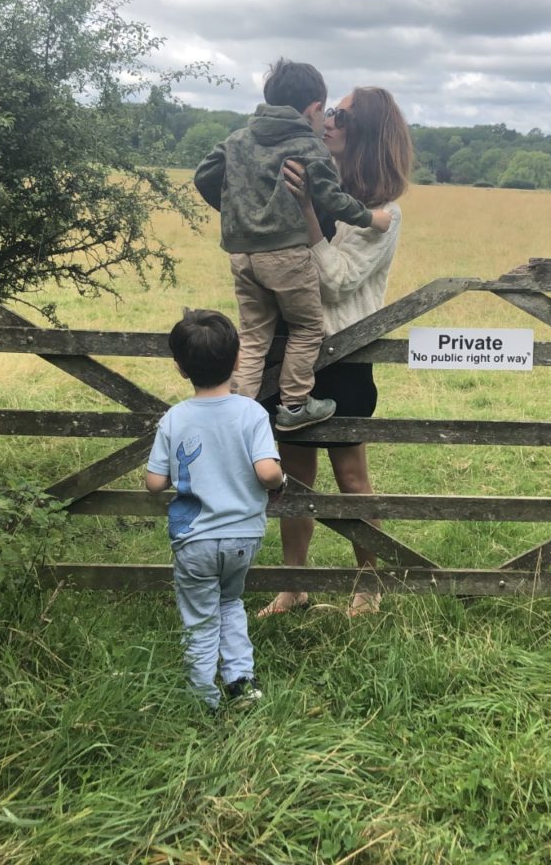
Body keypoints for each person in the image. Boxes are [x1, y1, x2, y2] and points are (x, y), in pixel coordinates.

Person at [257, 86, 411, 619]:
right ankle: (294, 584)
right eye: (330, 111)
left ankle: (367, 583)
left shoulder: (381, 214)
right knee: (293, 475)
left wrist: (304, 210)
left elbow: (339, 281)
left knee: (351, 477)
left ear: (364, 132)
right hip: (293, 344)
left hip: (343, 351)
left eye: (341, 115)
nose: (329, 121)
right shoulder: (318, 182)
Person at [194, 59, 391, 432]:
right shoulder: (306, 145)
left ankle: (237, 411)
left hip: (241, 254)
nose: (326, 122)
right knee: (306, 328)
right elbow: (332, 199)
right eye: (326, 112)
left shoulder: (238, 138)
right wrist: (372, 218)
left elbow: (204, 176)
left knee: (253, 335)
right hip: (285, 256)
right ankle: (296, 405)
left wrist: (238, 213)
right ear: (314, 109)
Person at [145, 309, 286, 710]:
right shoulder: (252, 413)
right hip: (243, 536)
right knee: (230, 602)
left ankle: (203, 693)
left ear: (179, 368)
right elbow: (266, 471)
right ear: (239, 358)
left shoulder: (175, 418)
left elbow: (155, 483)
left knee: (200, 615)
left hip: (194, 540)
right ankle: (241, 682)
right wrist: (279, 479)